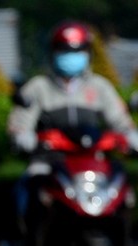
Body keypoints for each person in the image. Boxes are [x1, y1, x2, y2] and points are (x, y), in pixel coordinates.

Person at [8, 20, 138, 228]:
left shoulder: (99, 86)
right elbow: (21, 124)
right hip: (50, 161)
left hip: (91, 161)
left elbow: (120, 121)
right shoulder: (39, 87)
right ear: (53, 53)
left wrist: (131, 136)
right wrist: (24, 138)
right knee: (30, 188)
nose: (71, 56)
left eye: (78, 50)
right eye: (65, 50)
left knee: (122, 185)